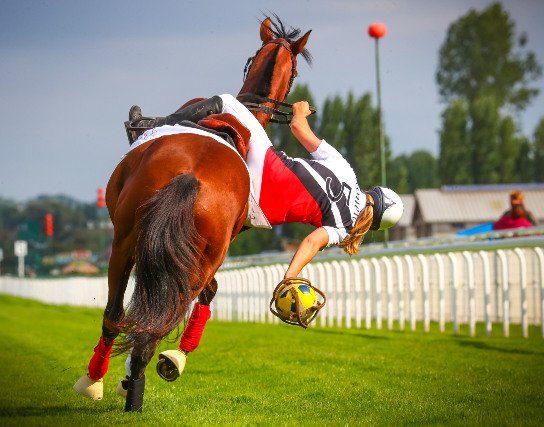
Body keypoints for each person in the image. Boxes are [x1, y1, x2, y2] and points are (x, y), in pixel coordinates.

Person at [122, 94, 403, 382]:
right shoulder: (345, 228)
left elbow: (298, 129)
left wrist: (300, 111)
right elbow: (310, 243)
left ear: (375, 193)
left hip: (266, 169)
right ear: (374, 225)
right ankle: (173, 342)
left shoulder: (347, 171)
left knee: (227, 102)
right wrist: (289, 277)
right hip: (258, 214)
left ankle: (152, 129)